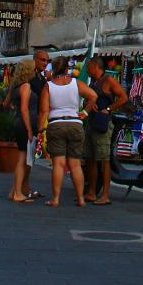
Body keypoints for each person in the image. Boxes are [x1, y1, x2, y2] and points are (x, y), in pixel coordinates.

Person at [39, 56, 97, 207]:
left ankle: (56, 199)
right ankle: (81, 199)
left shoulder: (48, 86)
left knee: (58, 164)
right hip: (74, 123)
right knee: (75, 164)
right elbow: (93, 96)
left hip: (56, 124)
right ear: (67, 68)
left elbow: (44, 110)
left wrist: (39, 128)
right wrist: (85, 112)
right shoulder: (76, 83)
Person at [83, 58, 128, 204]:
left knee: (103, 159)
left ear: (96, 67)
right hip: (91, 121)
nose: (87, 71)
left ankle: (105, 195)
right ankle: (91, 192)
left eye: (89, 67)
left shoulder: (108, 80)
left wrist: (108, 109)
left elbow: (123, 97)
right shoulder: (93, 82)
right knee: (90, 158)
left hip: (103, 123)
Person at [9, 51, 51, 202]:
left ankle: (15, 190)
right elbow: (24, 109)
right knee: (23, 159)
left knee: (26, 159)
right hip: (25, 124)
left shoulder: (17, 86)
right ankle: (17, 193)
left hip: (23, 122)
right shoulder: (26, 86)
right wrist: (28, 129)